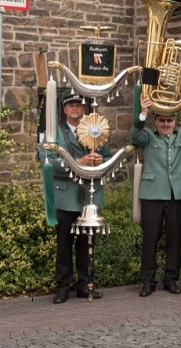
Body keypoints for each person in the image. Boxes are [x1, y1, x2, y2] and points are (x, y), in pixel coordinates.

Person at [130, 92, 181, 297]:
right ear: (155, 122)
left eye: (169, 120)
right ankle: (148, 281)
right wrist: (143, 113)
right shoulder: (148, 137)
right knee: (150, 239)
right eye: (162, 120)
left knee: (174, 239)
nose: (166, 124)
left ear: (175, 121)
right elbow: (134, 135)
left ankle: (171, 278)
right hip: (153, 194)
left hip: (176, 194)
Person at [43, 89, 110, 304]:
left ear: (84, 109)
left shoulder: (95, 130)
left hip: (88, 199)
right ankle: (62, 288)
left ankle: (84, 284)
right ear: (64, 109)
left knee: (86, 244)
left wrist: (101, 159)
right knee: (64, 246)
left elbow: (108, 158)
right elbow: (50, 164)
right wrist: (78, 163)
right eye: (71, 105)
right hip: (66, 197)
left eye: (79, 105)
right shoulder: (54, 134)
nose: (75, 108)